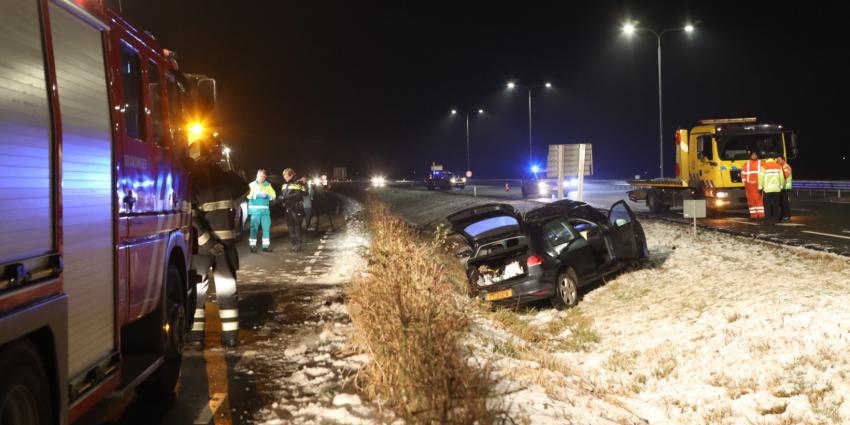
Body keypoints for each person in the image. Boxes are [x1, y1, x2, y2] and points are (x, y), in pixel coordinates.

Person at [186, 134, 249, 348]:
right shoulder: (226, 178)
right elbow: (244, 188)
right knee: (227, 289)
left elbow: (191, 215)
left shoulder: (191, 181)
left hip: (201, 249)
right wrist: (224, 170)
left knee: (197, 292)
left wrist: (206, 241)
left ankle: (196, 338)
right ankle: (230, 337)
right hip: (226, 246)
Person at [248, 169, 276, 252]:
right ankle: (252, 246)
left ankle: (266, 246)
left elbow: (274, 195)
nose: (261, 178)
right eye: (260, 176)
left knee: (266, 228)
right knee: (254, 229)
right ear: (257, 176)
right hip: (255, 211)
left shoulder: (268, 185)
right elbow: (248, 195)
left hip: (265, 212)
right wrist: (256, 195)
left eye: (263, 177)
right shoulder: (251, 185)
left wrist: (268, 196)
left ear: (265, 177)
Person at [281, 168, 307, 252]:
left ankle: (298, 245)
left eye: (286, 175)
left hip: (296, 208)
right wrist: (279, 199)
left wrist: (285, 197)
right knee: (290, 227)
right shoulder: (284, 185)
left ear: (291, 175)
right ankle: (293, 243)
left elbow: (298, 194)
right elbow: (282, 195)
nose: (285, 177)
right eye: (284, 176)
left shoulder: (298, 183)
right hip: (288, 208)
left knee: (297, 226)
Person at [759, 157, 786, 224]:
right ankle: (776, 219)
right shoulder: (778, 166)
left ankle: (767, 219)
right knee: (776, 205)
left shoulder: (763, 166)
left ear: (766, 160)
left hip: (767, 189)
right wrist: (781, 186)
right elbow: (782, 178)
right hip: (777, 189)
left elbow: (760, 178)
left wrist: (760, 187)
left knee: (767, 205)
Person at [741, 151, 764, 221]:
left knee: (759, 200)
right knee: (751, 201)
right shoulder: (746, 164)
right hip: (749, 185)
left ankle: (761, 216)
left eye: (755, 155)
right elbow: (743, 175)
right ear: (750, 156)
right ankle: (753, 216)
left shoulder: (761, 163)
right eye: (752, 155)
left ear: (757, 156)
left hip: (758, 184)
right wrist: (745, 184)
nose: (754, 156)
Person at [778, 156, 793, 222]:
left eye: (779, 160)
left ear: (783, 160)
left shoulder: (786, 166)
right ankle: (783, 215)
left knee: (785, 202)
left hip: (786, 187)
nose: (778, 161)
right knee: (782, 202)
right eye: (777, 160)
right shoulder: (781, 167)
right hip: (782, 187)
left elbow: (785, 175)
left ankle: (787, 216)